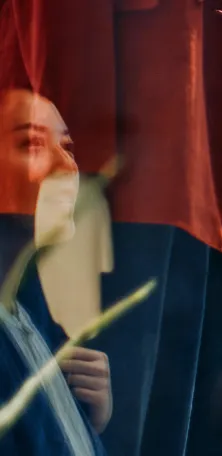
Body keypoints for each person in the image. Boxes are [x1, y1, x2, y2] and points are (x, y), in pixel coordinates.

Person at [0, 88, 111, 455]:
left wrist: (82, 424)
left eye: (68, 147)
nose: (67, 166)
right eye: (32, 144)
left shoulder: (31, 316)